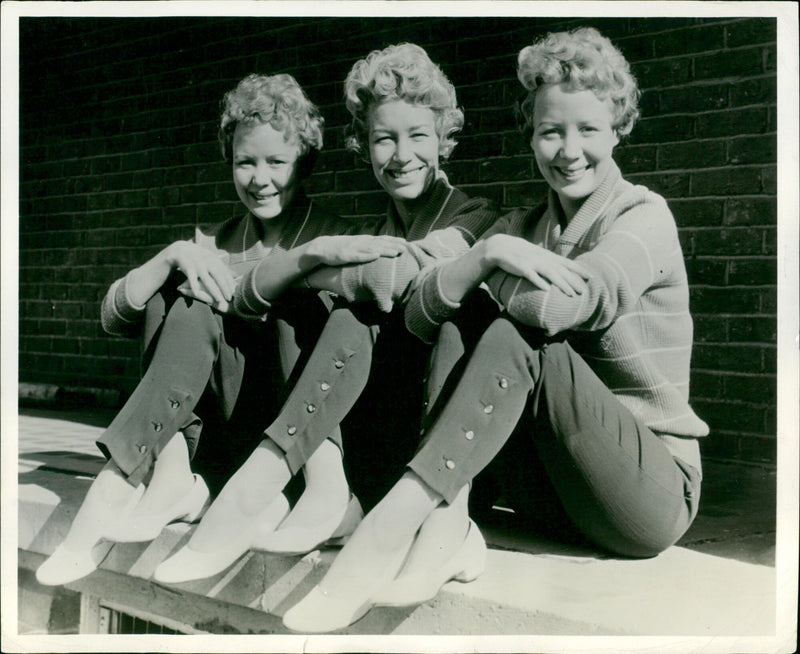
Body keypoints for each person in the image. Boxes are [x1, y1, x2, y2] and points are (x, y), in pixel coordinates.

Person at [280, 27, 709, 633]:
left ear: (619, 128)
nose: (568, 150)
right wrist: (484, 259)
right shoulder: (520, 224)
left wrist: (488, 267)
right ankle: (447, 521)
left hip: (646, 495)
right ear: (530, 137)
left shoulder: (643, 215)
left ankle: (396, 521)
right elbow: (418, 313)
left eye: (587, 129)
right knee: (466, 309)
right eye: (550, 131)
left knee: (513, 330)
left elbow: (567, 306)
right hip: (547, 491)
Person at [152, 42, 514, 584]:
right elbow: (250, 295)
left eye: (417, 136)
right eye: (383, 138)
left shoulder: (475, 217)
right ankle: (320, 491)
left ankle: (416, 518)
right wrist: (315, 265)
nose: (400, 155)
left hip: (434, 446)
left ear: (445, 140)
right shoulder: (370, 231)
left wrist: (309, 265)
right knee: (309, 301)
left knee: (325, 299)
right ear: (363, 146)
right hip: (370, 438)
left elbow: (397, 279)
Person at [36, 73, 408, 586]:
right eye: (245, 162)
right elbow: (113, 316)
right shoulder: (213, 239)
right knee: (176, 292)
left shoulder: (332, 232)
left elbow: (377, 303)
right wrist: (172, 256)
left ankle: (123, 491)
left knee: (286, 299)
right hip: (215, 433)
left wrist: (299, 265)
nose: (259, 179)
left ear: (304, 162)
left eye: (276, 162)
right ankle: (160, 474)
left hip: (292, 434)